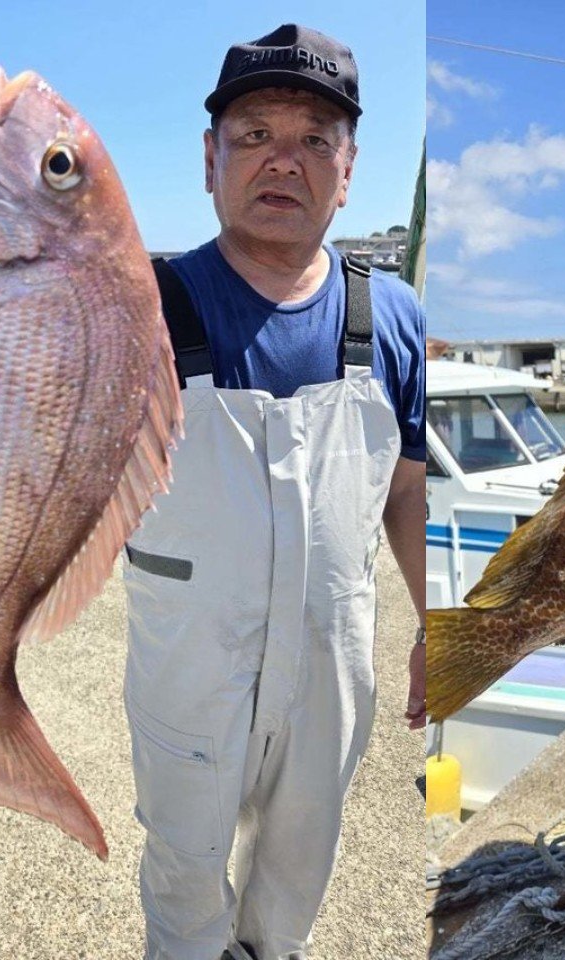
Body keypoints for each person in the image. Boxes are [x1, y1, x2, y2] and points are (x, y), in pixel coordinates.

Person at [120, 24, 426, 960]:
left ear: (349, 167)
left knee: (299, 869)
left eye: (314, 139)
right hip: (187, 657)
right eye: (254, 135)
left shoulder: (395, 314)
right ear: (210, 158)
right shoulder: (140, 307)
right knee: (183, 869)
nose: (282, 161)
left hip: (333, 661)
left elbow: (405, 487)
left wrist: (438, 628)